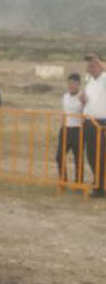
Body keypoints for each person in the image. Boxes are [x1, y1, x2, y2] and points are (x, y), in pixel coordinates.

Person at [79, 52, 106, 198]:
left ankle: (100, 187)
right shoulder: (90, 81)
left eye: (94, 64)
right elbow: (88, 101)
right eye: (89, 65)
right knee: (91, 154)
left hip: (101, 122)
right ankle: (98, 183)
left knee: (101, 155)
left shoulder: (104, 79)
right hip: (88, 121)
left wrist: (99, 60)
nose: (91, 67)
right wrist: (83, 101)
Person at [58, 73, 85, 184]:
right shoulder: (65, 96)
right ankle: (63, 180)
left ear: (79, 84)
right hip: (65, 129)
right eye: (70, 83)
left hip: (78, 130)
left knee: (78, 159)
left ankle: (78, 182)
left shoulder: (82, 97)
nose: (71, 85)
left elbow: (85, 113)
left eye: (74, 83)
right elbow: (64, 112)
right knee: (59, 156)